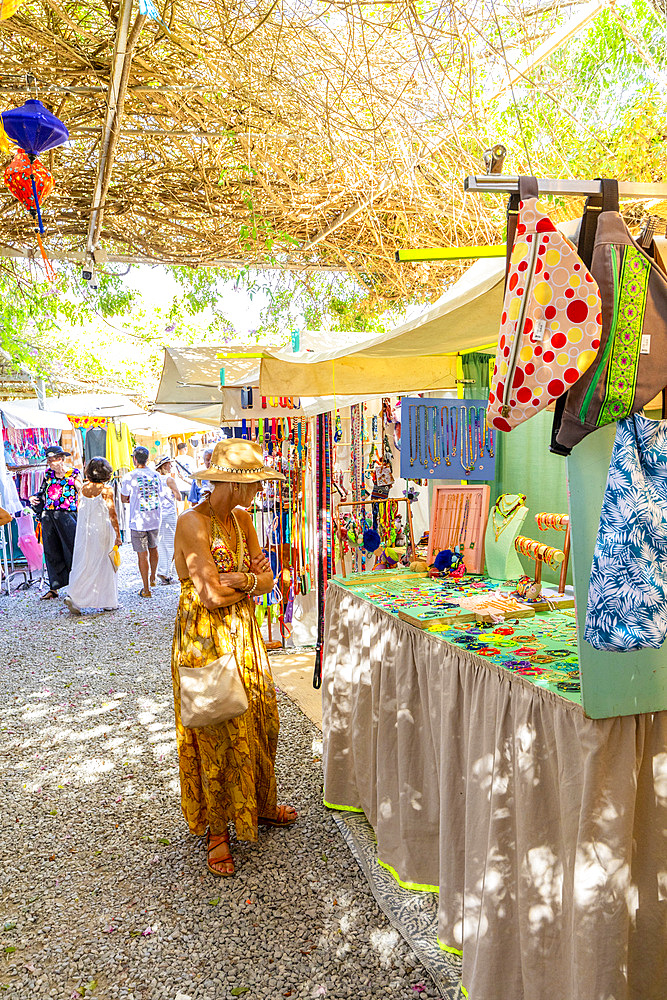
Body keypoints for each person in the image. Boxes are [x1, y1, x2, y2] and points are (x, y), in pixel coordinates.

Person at [172, 439, 297, 878]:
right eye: (255, 484)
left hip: (243, 634)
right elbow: (208, 595)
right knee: (216, 723)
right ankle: (218, 830)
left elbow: (271, 579)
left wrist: (242, 579)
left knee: (260, 716)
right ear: (233, 483)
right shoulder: (193, 524)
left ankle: (258, 804)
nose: (260, 491)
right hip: (206, 638)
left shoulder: (242, 519)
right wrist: (252, 581)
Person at [65, 457, 121, 615]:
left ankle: (75, 596)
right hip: (102, 530)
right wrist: (118, 534)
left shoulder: (82, 488)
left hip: (84, 531)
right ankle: (108, 601)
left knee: (83, 562)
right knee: (104, 564)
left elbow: (80, 508)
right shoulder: (106, 490)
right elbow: (113, 514)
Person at [30, 445, 82, 600]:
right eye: (50, 460)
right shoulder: (47, 474)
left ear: (63, 459)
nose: (53, 463)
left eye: (56, 459)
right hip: (49, 516)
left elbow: (81, 491)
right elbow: (43, 492)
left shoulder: (74, 473)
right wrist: (34, 497)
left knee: (72, 549)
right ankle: (54, 587)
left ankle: (77, 585)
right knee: (51, 550)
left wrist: (72, 481)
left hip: (68, 516)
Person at [120, 446, 162, 598]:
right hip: (155, 517)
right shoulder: (156, 475)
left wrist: (135, 499)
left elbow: (124, 498)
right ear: (148, 459)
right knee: (154, 548)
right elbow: (160, 493)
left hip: (138, 521)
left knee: (141, 554)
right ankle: (153, 577)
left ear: (134, 459)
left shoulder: (129, 476)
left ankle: (146, 589)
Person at [155, 455, 181, 585]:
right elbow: (179, 496)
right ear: (164, 466)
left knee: (161, 543)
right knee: (172, 542)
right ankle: (166, 572)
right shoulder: (169, 480)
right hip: (169, 514)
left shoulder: (154, 479)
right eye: (169, 464)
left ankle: (163, 571)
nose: (171, 466)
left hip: (158, 514)